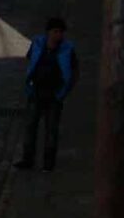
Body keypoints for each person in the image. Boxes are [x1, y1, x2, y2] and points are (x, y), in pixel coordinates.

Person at [16, 17, 80, 171]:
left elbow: (73, 73)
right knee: (30, 127)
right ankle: (27, 159)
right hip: (36, 91)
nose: (58, 35)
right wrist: (29, 84)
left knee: (51, 130)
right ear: (48, 32)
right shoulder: (38, 44)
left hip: (54, 95)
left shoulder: (67, 49)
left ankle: (48, 163)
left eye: (60, 32)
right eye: (55, 32)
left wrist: (62, 93)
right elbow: (30, 60)